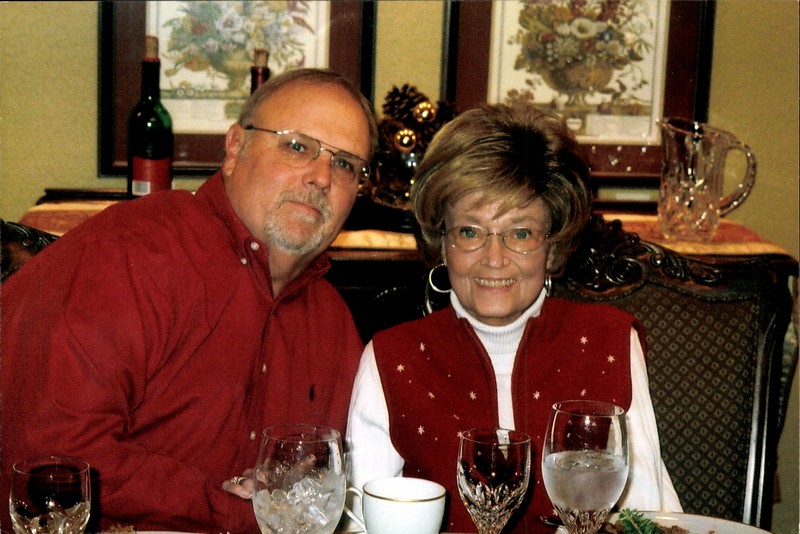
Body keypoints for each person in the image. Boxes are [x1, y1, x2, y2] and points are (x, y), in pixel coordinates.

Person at [1, 68, 377, 533]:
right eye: (297, 146)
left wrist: (280, 490)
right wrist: (233, 511)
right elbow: (53, 460)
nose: (321, 177)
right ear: (235, 148)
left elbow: (327, 482)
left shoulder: (333, 325)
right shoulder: (133, 252)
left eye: (345, 165)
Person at [345, 104, 682, 533]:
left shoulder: (609, 342)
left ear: (551, 245)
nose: (494, 258)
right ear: (443, 243)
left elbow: (645, 521)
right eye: (470, 231)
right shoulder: (392, 358)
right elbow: (359, 524)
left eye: (520, 233)